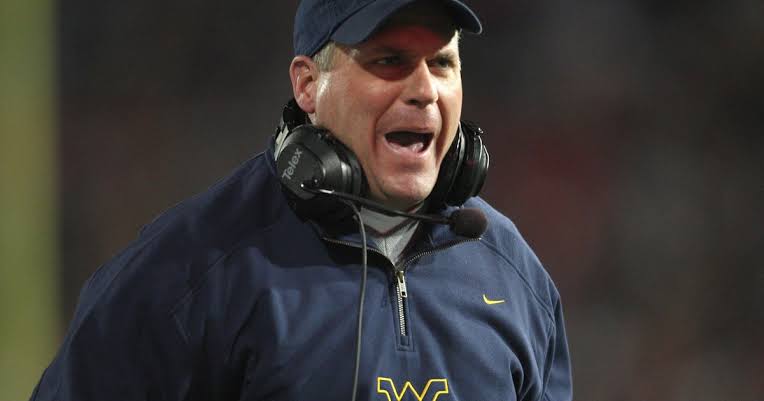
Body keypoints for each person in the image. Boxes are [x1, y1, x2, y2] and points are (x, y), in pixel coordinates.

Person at [31, 0, 572, 400]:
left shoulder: (512, 274)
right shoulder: (191, 270)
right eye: (390, 60)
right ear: (308, 85)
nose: (425, 90)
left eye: (442, 64)